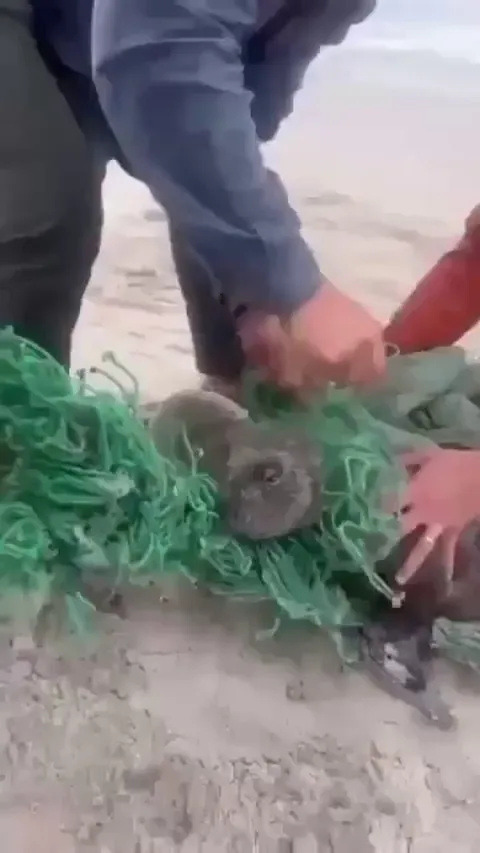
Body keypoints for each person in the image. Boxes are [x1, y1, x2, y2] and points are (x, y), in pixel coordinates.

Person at [0, 0, 385, 394]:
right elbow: (159, 55)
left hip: (89, 25)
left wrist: (251, 300)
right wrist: (297, 291)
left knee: (223, 198)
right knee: (46, 220)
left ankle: (235, 397)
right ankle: (22, 426)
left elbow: (224, 136)